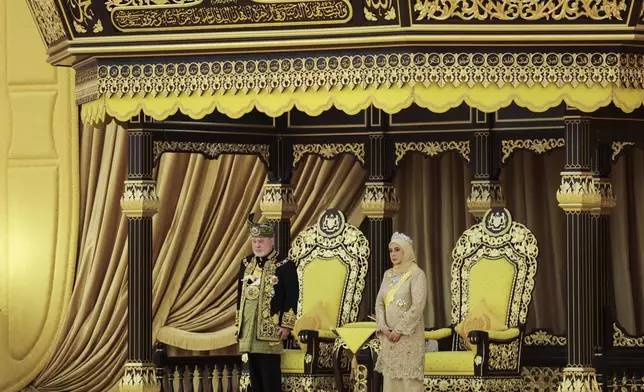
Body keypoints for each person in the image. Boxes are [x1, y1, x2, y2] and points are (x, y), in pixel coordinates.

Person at [235, 214, 299, 392]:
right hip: (248, 330)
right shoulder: (246, 263)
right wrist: (238, 325)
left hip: (271, 331)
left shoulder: (284, 265)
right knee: (254, 379)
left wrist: (287, 326)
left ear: (271, 241)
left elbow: (292, 296)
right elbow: (240, 296)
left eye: (261, 241)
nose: (257, 245)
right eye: (254, 241)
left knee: (270, 380)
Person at [374, 232, 427, 392]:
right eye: (391, 251)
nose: (393, 254)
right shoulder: (387, 274)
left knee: (409, 383)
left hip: (408, 337)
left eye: (397, 250)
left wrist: (399, 330)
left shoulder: (417, 274)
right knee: (391, 382)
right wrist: (383, 327)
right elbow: (379, 304)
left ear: (407, 251)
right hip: (388, 338)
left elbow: (418, 305)